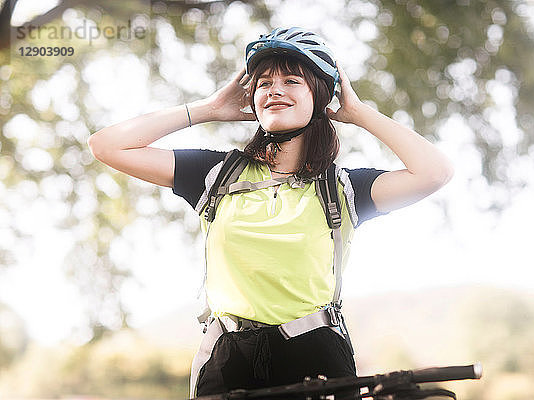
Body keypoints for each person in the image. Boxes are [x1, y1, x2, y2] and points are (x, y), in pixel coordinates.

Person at [87, 27, 453, 397]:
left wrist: (358, 113)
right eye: (263, 83)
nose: (274, 89)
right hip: (229, 359)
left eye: (292, 80)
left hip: (314, 355)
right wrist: (208, 109)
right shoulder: (215, 175)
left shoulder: (343, 188)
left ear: (321, 97)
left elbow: (434, 172)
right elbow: (107, 145)